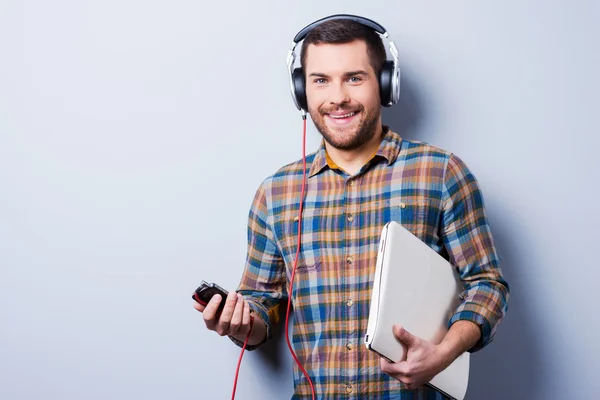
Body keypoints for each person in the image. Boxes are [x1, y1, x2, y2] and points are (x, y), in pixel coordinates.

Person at [193, 15, 510, 399]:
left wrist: (445, 353)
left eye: (354, 78)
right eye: (320, 80)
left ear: (386, 83)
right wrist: (242, 324)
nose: (337, 97)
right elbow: (263, 309)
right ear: (301, 90)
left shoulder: (441, 173)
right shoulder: (275, 193)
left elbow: (487, 285)